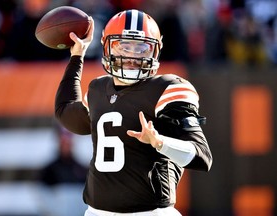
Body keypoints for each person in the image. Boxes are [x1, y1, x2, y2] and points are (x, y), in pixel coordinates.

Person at [55, 9, 213, 216]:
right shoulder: (98, 89)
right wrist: (77, 56)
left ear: (155, 51)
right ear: (107, 47)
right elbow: (66, 113)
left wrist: (160, 142)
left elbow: (202, 157)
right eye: (123, 46)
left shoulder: (167, 88)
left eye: (141, 48)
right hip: (97, 213)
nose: (131, 55)